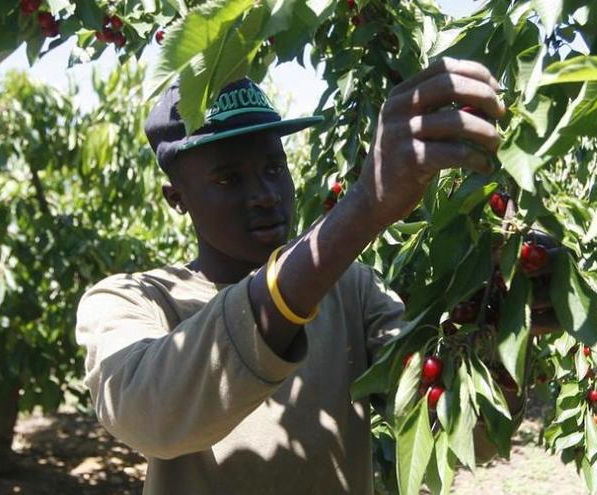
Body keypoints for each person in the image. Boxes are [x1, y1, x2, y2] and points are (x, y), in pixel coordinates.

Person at [74, 58, 506, 494]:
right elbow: (148, 415)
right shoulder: (131, 300)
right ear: (176, 198)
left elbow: (461, 432)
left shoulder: (352, 288)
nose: (263, 195)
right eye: (228, 180)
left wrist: (506, 332)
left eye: (273, 169)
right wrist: (363, 206)